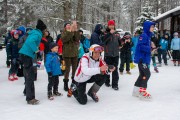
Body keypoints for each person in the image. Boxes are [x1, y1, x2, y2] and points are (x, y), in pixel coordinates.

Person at [19, 19, 47, 105]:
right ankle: (30, 98)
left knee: (29, 76)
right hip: (26, 56)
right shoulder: (37, 34)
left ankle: (27, 93)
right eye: (45, 30)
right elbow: (31, 42)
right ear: (42, 29)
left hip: (25, 55)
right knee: (30, 76)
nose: (45, 31)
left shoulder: (35, 33)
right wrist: (36, 51)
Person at [133, 20, 155, 100]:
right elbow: (140, 46)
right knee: (147, 74)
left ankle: (135, 91)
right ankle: (142, 92)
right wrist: (150, 48)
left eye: (153, 27)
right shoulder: (144, 35)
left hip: (144, 59)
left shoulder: (148, 36)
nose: (153, 28)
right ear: (147, 27)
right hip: (142, 59)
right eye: (152, 27)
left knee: (142, 75)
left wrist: (151, 48)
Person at [61, 21, 80, 92]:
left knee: (75, 69)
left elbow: (77, 39)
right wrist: (70, 32)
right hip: (67, 53)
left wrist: (76, 30)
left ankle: (73, 83)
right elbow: (64, 39)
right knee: (67, 69)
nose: (69, 26)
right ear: (65, 27)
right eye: (67, 25)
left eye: (70, 25)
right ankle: (65, 83)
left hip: (74, 53)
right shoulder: (64, 33)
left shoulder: (73, 31)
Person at [103, 20, 121, 90]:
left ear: (114, 25)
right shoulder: (105, 33)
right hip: (108, 54)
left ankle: (115, 84)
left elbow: (119, 42)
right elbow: (103, 40)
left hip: (116, 54)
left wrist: (121, 43)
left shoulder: (117, 33)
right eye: (110, 25)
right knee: (107, 69)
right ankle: (106, 81)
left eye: (112, 25)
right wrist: (109, 33)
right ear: (108, 25)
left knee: (115, 69)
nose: (111, 26)